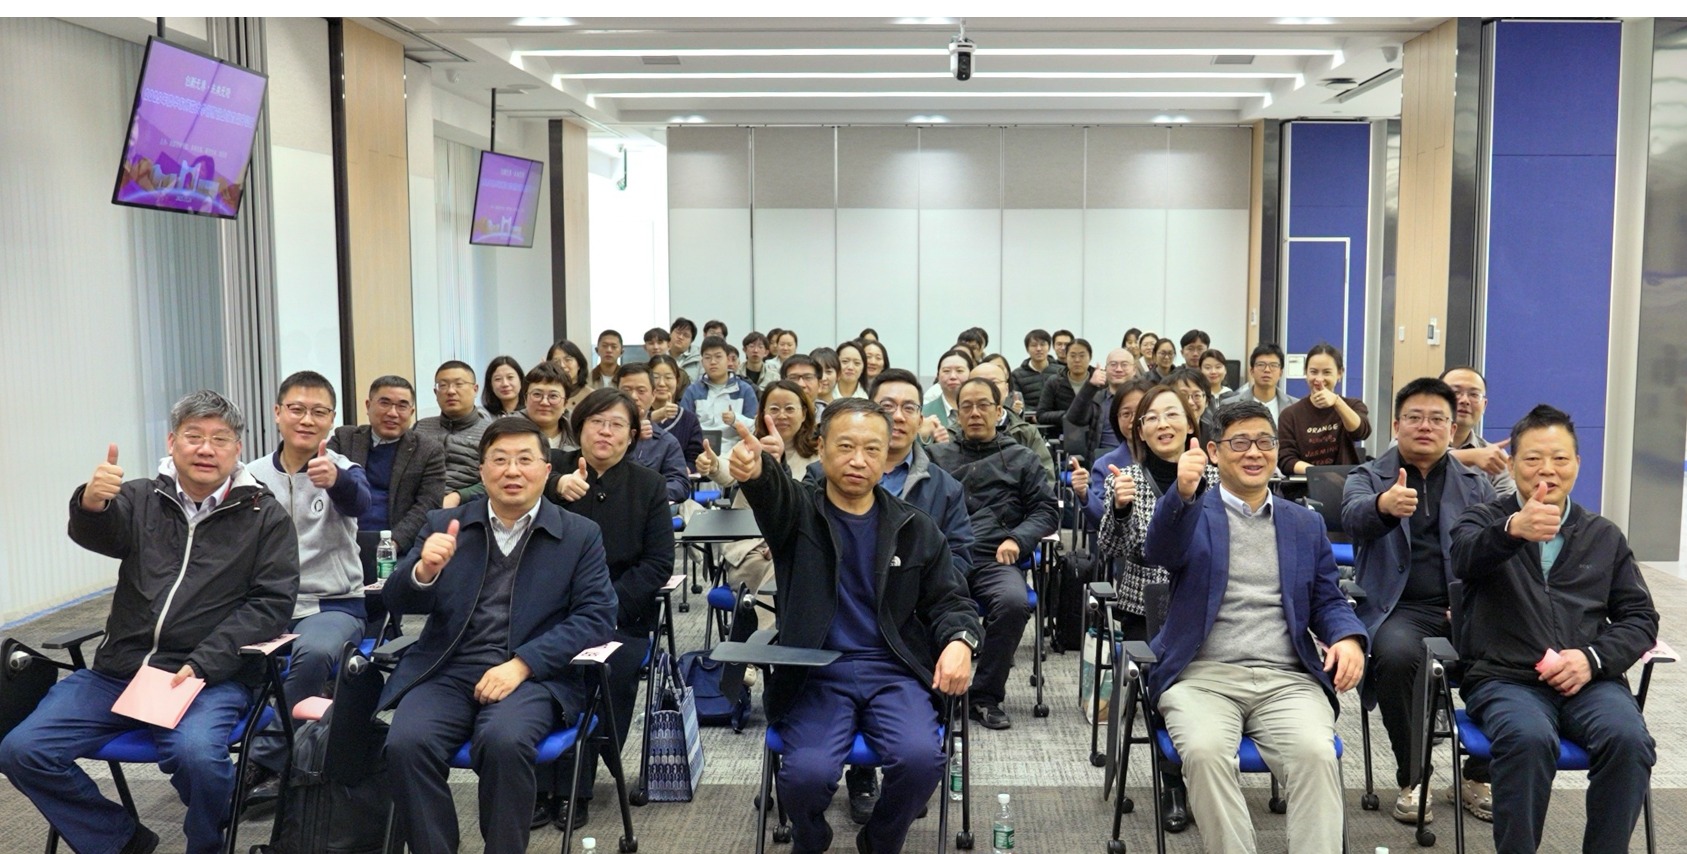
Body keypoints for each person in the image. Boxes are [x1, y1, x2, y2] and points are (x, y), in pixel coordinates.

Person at [0, 391, 298, 854]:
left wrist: (204, 663)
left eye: (220, 439)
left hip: (206, 677)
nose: (206, 449)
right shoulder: (141, 497)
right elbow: (103, 534)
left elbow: (270, 605)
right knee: (22, 750)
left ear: (237, 448)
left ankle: (206, 844)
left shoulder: (265, 516)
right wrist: (90, 504)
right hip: (119, 672)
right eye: (194, 436)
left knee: (197, 757)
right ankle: (122, 841)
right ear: (172, 441)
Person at [727, 397, 981, 854]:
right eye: (845, 446)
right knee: (805, 777)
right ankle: (811, 838)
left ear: (887, 457)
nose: (858, 460)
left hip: (894, 671)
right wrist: (759, 471)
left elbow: (951, 600)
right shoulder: (798, 515)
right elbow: (773, 494)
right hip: (816, 671)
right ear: (821, 447)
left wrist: (961, 641)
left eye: (871, 449)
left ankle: (880, 841)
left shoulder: (914, 527)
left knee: (922, 761)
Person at [381, 417, 616, 854]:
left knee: (504, 742)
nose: (512, 471)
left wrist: (523, 664)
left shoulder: (579, 534)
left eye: (525, 460)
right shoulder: (445, 523)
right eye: (500, 460)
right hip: (449, 669)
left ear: (546, 470)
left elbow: (597, 616)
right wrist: (423, 571)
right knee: (406, 744)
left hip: (534, 675)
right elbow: (395, 599)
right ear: (482, 470)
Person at [1142, 400, 1368, 854]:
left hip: (1287, 679)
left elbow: (1327, 599)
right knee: (1205, 753)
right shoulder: (1193, 513)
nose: (1254, 452)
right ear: (1213, 451)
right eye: (1240, 442)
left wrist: (1347, 637)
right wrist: (1181, 494)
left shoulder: (1304, 523)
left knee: (1316, 754)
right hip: (1202, 677)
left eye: (1264, 442)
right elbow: (1160, 552)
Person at [1451, 404, 1659, 854]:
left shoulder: (1603, 536)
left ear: (1578, 464)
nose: (1547, 469)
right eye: (1532, 458)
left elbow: (1641, 618)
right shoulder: (1483, 520)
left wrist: (1592, 659)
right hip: (1505, 679)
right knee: (1528, 740)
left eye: (1560, 458)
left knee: (1629, 740)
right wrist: (1513, 530)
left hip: (1591, 680)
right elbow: (1464, 558)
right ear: (1511, 464)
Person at [1343, 377, 1497, 825]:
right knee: (1394, 657)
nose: (1425, 426)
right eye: (1414, 417)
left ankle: (1478, 774)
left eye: (1436, 419)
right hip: (1399, 609)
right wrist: (1383, 506)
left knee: (1510, 654)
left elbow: (1497, 551)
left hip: (1466, 607)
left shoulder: (1477, 484)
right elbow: (1352, 518)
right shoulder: (1368, 476)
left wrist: (1471, 601)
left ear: (1453, 428)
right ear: (1396, 425)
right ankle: (1415, 778)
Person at [530, 389, 674, 829]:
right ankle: (538, 785)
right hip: (552, 610)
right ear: (580, 427)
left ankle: (576, 788)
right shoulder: (551, 470)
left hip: (619, 615)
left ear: (632, 435)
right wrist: (553, 486)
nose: (605, 432)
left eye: (616, 425)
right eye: (596, 422)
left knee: (605, 673)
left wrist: (605, 607)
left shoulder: (647, 485)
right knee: (539, 669)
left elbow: (658, 564)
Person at [1095, 383, 1220, 833]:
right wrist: (1121, 509)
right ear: (1140, 432)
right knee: (1161, 685)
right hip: (1145, 604)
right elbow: (1110, 547)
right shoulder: (1125, 477)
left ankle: (1212, 767)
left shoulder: (1217, 476)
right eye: (1151, 418)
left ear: (1190, 423)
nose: (1162, 424)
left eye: (1172, 415)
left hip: (1208, 601)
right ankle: (1172, 783)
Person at [243, 371, 371, 797]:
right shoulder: (249, 476)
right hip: (266, 603)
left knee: (313, 653)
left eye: (318, 412)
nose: (306, 419)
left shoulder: (344, 469)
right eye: (296, 409)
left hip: (332, 604)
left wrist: (335, 480)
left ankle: (262, 758)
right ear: (277, 413)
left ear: (331, 420)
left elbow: (360, 501)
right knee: (211, 644)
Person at [928, 378, 1060, 730]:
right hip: (943, 559)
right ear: (956, 414)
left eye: (983, 405)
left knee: (1014, 603)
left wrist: (1018, 538)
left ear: (999, 411)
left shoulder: (1021, 458)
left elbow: (1047, 511)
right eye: (966, 406)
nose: (975, 413)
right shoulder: (935, 457)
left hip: (994, 559)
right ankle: (933, 690)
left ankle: (984, 696)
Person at [695, 380, 822, 626]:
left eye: (789, 409)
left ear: (805, 413)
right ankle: (768, 643)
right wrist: (712, 464)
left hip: (803, 546)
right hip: (752, 552)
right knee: (783, 565)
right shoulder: (751, 447)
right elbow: (728, 469)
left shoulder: (819, 455)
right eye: (774, 409)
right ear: (762, 414)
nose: (781, 415)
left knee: (792, 560)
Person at [331, 376, 448, 559]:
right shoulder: (344, 438)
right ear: (368, 405)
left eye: (402, 406)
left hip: (398, 545)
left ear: (411, 412)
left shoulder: (428, 450)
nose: (393, 413)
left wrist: (393, 544)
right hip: (342, 542)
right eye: (384, 403)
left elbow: (428, 504)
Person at [1277, 342, 1372, 475]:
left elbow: (1360, 433)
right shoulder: (1290, 415)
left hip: (1345, 483)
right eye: (1313, 372)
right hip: (1305, 482)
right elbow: (1286, 460)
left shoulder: (1353, 405)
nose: (1319, 379)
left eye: (1327, 372)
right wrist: (1321, 474)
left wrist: (1337, 402)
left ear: (1340, 373)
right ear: (1305, 373)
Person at [614, 362, 691, 503]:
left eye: (641, 391)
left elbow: (680, 484)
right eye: (626, 390)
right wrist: (628, 438)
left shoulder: (666, 442)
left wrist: (648, 493)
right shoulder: (603, 433)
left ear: (653, 395)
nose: (634, 396)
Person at [1081, 378, 1153, 528]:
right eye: (1126, 414)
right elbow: (1101, 521)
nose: (1134, 420)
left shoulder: (1172, 458)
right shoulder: (1105, 465)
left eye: (1141, 412)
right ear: (1116, 419)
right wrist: (1084, 494)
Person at [415, 360, 495, 492]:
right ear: (435, 392)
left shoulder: (491, 432)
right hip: (421, 500)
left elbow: (495, 480)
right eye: (443, 385)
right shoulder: (421, 427)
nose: (451, 391)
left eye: (459, 384)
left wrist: (458, 497)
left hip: (469, 502)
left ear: (475, 390)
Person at [972, 360, 1055, 484]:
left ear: (1006, 389)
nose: (988, 389)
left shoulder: (1026, 433)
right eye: (980, 383)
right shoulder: (955, 433)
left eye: (994, 382)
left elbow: (1045, 477)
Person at [1441, 366, 1517, 497]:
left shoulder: (1493, 457)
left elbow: (1506, 503)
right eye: (1455, 392)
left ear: (1484, 405)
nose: (1465, 400)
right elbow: (1417, 459)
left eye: (1474, 395)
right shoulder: (1414, 440)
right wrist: (1472, 457)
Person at [1065, 347, 1139, 466]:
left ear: (1134, 370)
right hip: (1102, 459)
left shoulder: (1143, 398)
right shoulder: (1096, 398)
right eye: (1113, 364)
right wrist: (1090, 386)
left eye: (1124, 365)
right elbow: (1074, 419)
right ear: (1106, 369)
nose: (1118, 369)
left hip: (1137, 458)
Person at [679, 335, 761, 437]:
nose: (713, 362)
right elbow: (684, 425)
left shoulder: (744, 390)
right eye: (707, 357)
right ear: (702, 362)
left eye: (718, 357)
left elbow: (755, 427)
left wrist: (736, 419)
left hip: (736, 444)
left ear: (728, 359)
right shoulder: (693, 391)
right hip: (701, 444)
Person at [1219, 342, 1298, 422]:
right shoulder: (1229, 405)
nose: (1267, 370)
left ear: (1281, 373)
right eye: (1261, 365)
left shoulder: (1296, 406)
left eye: (1273, 365)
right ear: (1252, 371)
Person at [648, 353, 703, 464]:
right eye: (655, 377)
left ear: (677, 381)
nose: (661, 383)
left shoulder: (689, 419)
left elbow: (695, 458)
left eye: (668, 377)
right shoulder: (636, 415)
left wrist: (687, 469)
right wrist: (653, 417)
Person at [522, 361, 577, 451]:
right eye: (537, 394)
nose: (544, 402)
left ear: (565, 403)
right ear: (525, 400)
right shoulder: (507, 433)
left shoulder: (579, 436)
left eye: (553, 396)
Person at [1038, 337, 1093, 428]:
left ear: (1090, 358)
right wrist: (1068, 415)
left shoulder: (1099, 382)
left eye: (1082, 356)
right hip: (1061, 433)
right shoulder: (1054, 382)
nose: (1077, 360)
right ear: (1066, 357)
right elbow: (1041, 414)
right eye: (1072, 356)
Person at [1013, 328, 1061, 419]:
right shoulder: (1017, 375)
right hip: (1028, 421)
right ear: (1027, 349)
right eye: (1034, 345)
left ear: (1049, 347)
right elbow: (1018, 403)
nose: (1039, 349)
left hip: (1056, 419)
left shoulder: (1061, 371)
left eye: (1043, 344)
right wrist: (1034, 416)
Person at [1167, 367, 1222, 445]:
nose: (1190, 402)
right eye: (1183, 395)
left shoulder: (1214, 435)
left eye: (1197, 395)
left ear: (1206, 401)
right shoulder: (1162, 433)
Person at [922, 348, 975, 423]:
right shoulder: (924, 413)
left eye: (959, 371)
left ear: (971, 374)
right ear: (938, 376)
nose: (953, 376)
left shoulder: (982, 409)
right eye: (946, 371)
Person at [545, 339, 594, 414]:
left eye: (568, 360)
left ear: (579, 364)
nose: (562, 365)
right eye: (556, 362)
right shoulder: (545, 395)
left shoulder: (592, 396)